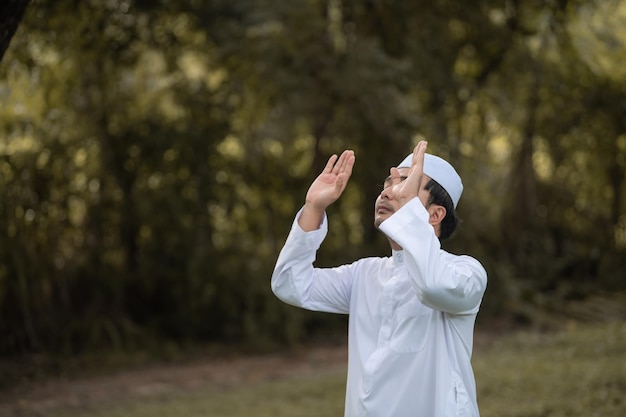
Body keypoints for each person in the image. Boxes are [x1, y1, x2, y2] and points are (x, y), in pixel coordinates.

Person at [271, 141, 488, 417]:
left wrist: (409, 214)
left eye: (406, 185)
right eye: (388, 184)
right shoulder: (364, 275)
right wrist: (313, 207)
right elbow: (289, 283)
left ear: (435, 214)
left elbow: (433, 285)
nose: (389, 192)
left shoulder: (466, 272)